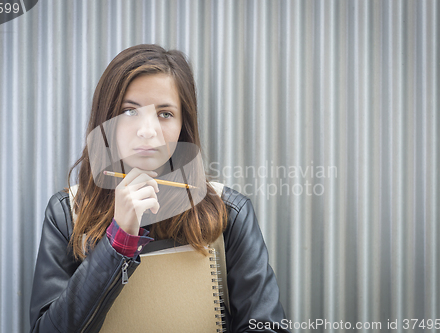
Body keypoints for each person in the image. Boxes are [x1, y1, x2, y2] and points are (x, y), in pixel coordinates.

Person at [30, 44, 290, 333]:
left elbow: (266, 326)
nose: (148, 130)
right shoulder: (67, 213)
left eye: (165, 114)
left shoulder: (229, 212)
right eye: (130, 111)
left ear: (183, 126)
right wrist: (118, 240)